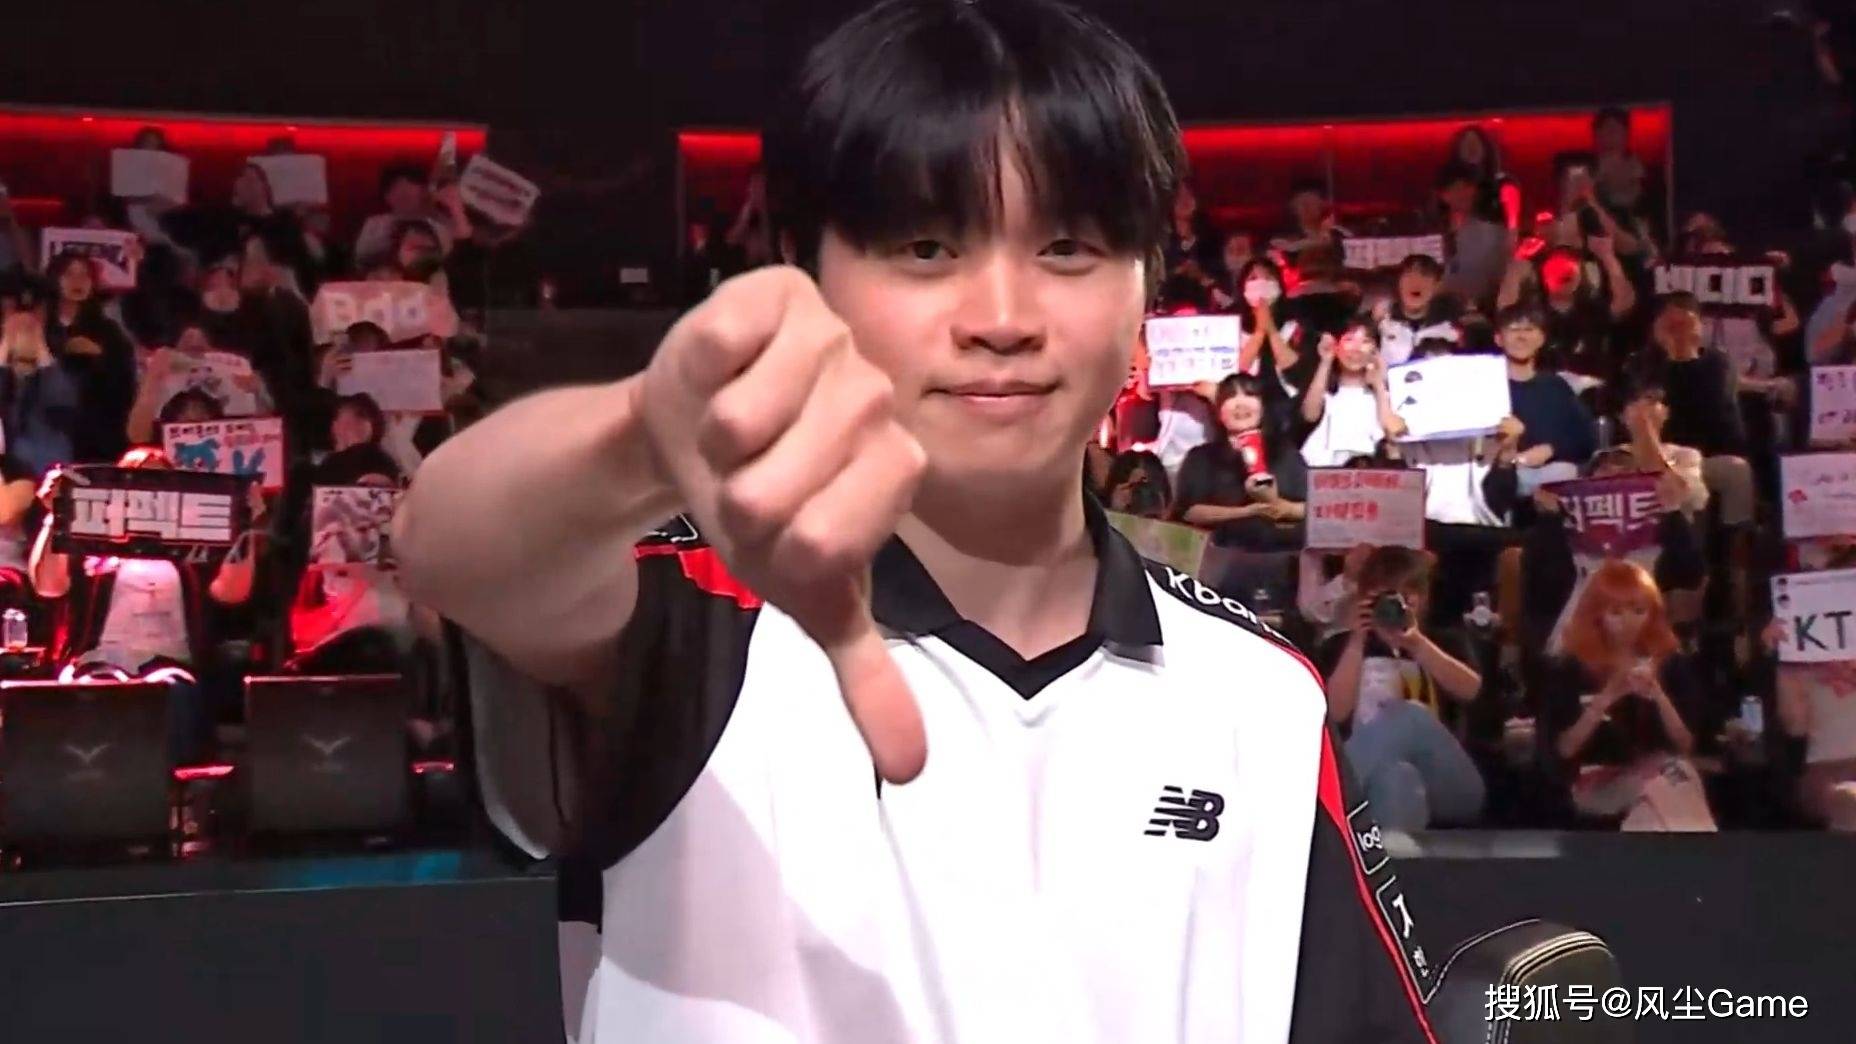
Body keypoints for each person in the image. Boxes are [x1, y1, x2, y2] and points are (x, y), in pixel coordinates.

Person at [394, 1, 1440, 1039]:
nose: (1002, 319)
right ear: (806, 273)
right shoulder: (685, 620)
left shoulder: (1260, 696)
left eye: (1067, 247)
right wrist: (641, 436)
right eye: (928, 247)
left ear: (1144, 293)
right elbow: (458, 547)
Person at [29, 449, 262, 763]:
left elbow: (232, 592)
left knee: (172, 693)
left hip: (170, 663)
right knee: (95, 692)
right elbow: (47, 586)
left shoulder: (191, 551)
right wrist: (56, 513)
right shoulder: (92, 550)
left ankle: (168, 783)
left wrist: (243, 522)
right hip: (99, 660)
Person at [1317, 546, 1487, 831]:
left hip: (1450, 784)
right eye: (1383, 598)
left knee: (1409, 715)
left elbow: (1472, 689)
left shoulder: (1445, 641)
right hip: (1375, 786)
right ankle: (1398, 861)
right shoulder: (1343, 646)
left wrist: (1416, 643)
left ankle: (1325, 802)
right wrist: (1356, 642)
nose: (1394, 607)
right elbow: (1335, 712)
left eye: (1405, 598)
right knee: (1396, 779)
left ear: (1423, 597)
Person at [1540, 559, 1715, 831]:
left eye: (1638, 611)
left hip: (1660, 772)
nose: (1628, 622)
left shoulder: (1670, 663)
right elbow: (1564, 749)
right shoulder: (1572, 667)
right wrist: (1606, 698)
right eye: (1616, 612)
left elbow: (1686, 744)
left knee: (1667, 789)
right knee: (1668, 784)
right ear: (1597, 614)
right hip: (1595, 781)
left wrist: (1659, 696)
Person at [1631, 293, 1756, 529]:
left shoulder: (1717, 362)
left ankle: (1737, 543)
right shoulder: (1641, 365)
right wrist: (1669, 356)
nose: (1677, 332)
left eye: (1683, 325)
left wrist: (1685, 354)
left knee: (1737, 471)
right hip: (1661, 458)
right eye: (1671, 326)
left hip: (1709, 457)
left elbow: (1712, 408)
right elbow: (1644, 404)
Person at [1171, 373, 1306, 550]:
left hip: (1281, 552)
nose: (1241, 404)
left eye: (1250, 395)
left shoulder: (1284, 452)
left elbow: (1310, 507)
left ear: (1263, 407)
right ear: (1218, 411)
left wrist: (1282, 507)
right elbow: (1189, 512)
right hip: (1220, 554)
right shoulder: (1201, 457)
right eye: (1231, 396)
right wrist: (1247, 512)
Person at [1498, 240, 1635, 386]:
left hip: (1590, 389)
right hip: (1543, 387)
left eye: (1569, 269)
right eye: (1556, 268)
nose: (1563, 271)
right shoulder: (1533, 314)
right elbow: (1506, 311)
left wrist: (1608, 257)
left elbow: (1624, 303)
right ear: (1543, 275)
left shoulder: (1593, 310)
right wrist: (1517, 264)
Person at [42, 252, 137, 465]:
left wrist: (99, 359)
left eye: (84, 275)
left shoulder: (108, 330)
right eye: (69, 274)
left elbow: (123, 382)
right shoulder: (41, 325)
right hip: (48, 424)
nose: (77, 282)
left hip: (95, 429)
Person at [1498, 303, 1599, 494]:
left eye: (1529, 329)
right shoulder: (1488, 388)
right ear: (1498, 338)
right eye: (1513, 330)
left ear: (1541, 339)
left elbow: (1586, 440)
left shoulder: (1556, 387)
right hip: (1503, 481)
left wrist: (1551, 450)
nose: (1521, 336)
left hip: (1556, 482)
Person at [1299, 319, 1405, 468]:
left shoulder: (1384, 393)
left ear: (1375, 350)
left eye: (1365, 341)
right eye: (1349, 340)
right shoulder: (1325, 389)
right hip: (1323, 468)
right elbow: (1310, 415)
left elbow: (1392, 432)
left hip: (1370, 469)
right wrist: (1326, 361)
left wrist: (1379, 385)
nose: (1356, 349)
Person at [0, 310, 80, 477]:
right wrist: (5, 346)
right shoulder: (6, 376)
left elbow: (61, 403)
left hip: (42, 470)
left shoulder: (57, 374)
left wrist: (40, 348)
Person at [1436, 163, 1512, 310]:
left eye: (1468, 187)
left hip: (1480, 307)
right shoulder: (1436, 230)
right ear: (1443, 195)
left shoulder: (1492, 233)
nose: (1463, 194)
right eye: (1456, 188)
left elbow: (1497, 276)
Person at [354, 164, 458, 269]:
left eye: (409, 186)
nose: (402, 191)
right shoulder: (375, 223)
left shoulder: (441, 222)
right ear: (386, 197)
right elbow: (361, 257)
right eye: (395, 188)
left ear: (425, 191)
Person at [1375, 254, 1460, 367]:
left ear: (1437, 286)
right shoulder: (1381, 321)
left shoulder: (1452, 324)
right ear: (1398, 283)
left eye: (1424, 276)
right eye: (1409, 276)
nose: (1415, 282)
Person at [1163, 180, 1228, 307]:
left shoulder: (1213, 240)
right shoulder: (1161, 240)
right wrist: (1176, 273)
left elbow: (1222, 279)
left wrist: (1201, 275)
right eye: (1178, 196)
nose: (1184, 200)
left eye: (1189, 195)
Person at [1442, 124, 1514, 227]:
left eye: (1475, 143)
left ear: (1485, 149)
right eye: (1466, 144)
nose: (1471, 148)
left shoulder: (1502, 185)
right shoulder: (1447, 187)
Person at [1270, 177, 1343, 266]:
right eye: (1300, 203)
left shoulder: (1336, 233)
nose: (1306, 207)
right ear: (1292, 207)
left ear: (1323, 204)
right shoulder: (1283, 235)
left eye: (1311, 202)